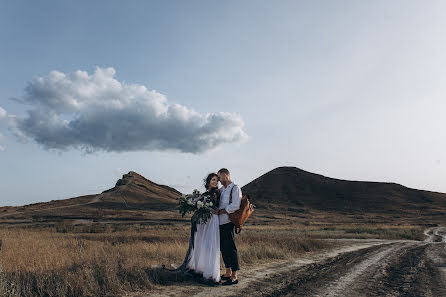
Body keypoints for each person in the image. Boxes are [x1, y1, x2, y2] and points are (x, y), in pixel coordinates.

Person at [175, 173, 221, 285]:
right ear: (208, 181)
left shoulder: (216, 193)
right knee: (201, 243)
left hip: (212, 220)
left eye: (217, 180)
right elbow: (199, 204)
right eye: (213, 180)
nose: (215, 182)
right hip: (203, 221)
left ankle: (211, 273)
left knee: (210, 245)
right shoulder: (204, 194)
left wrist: (210, 208)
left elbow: (216, 206)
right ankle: (200, 269)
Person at [214, 168, 242, 285]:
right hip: (219, 223)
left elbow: (235, 205)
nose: (219, 180)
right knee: (223, 248)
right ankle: (228, 272)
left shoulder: (235, 188)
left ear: (225, 175)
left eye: (219, 177)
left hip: (229, 222)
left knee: (230, 248)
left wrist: (222, 211)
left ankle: (234, 276)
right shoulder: (221, 190)